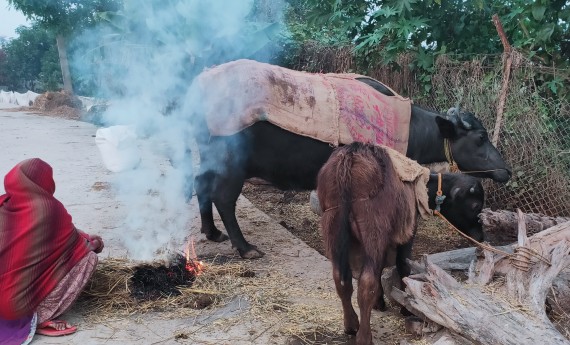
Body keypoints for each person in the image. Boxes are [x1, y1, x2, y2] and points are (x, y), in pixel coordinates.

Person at [0, 158, 104, 344]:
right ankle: (40, 316)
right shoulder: (49, 209)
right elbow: (79, 244)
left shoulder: (3, 204)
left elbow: (57, 234)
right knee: (86, 256)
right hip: (13, 309)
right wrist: (94, 243)